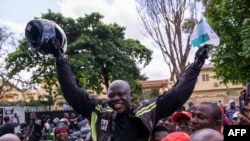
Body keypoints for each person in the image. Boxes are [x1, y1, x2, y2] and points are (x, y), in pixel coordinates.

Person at [24, 18, 209, 141]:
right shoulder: (97, 109)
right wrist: (60, 58)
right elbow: (72, 90)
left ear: (131, 95)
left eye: (122, 95)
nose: (116, 99)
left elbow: (177, 94)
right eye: (111, 95)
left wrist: (197, 65)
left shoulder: (147, 109)